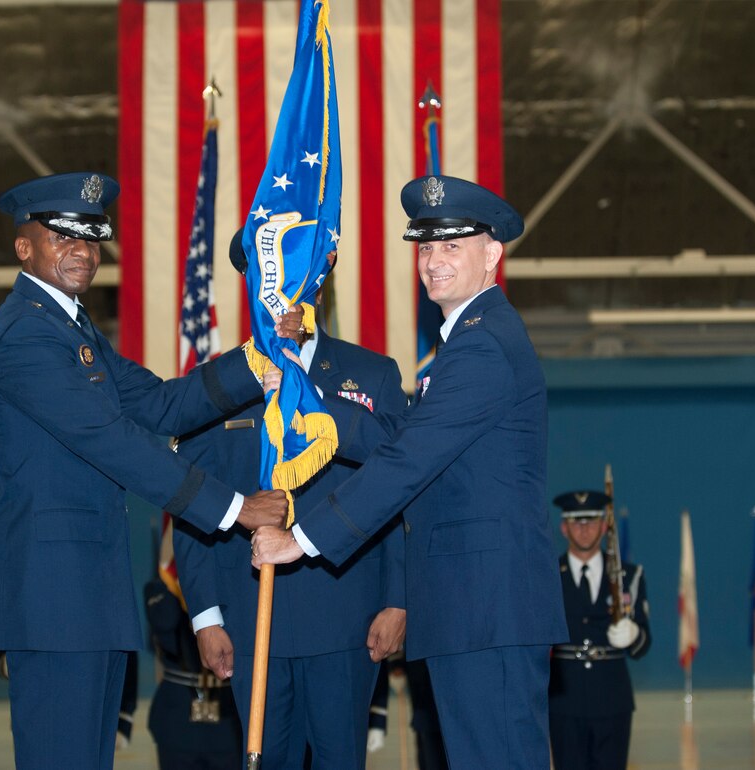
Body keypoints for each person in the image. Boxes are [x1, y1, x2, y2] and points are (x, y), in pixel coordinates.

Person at [0, 171, 292, 770]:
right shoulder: (25, 337)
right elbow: (112, 441)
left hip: (88, 597)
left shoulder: (73, 329)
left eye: (92, 239)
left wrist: (260, 360)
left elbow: (162, 404)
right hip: (53, 601)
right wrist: (235, 508)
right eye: (62, 236)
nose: (82, 251)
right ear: (24, 247)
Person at [252, 175, 568, 769]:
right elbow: (404, 437)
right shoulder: (466, 343)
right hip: (472, 606)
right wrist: (309, 399)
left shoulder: (483, 345)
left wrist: (302, 540)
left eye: (452, 246)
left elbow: (409, 459)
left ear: (492, 254)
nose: (434, 261)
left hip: (486, 607)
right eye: (426, 247)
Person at [172, 236, 408, 770]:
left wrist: (398, 598)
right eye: (269, 279)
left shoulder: (372, 375)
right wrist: (206, 617)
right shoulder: (219, 383)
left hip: (347, 613)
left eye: (296, 276)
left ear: (320, 282)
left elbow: (398, 492)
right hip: (249, 615)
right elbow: (190, 503)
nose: (283, 294)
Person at [548, 490, 651, 770]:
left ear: (605, 526)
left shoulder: (628, 575)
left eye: (591, 521)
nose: (584, 529)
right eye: (576, 522)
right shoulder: (547, 576)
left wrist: (633, 635)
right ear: (564, 527)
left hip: (612, 699)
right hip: (563, 700)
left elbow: (643, 644)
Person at [143, 574, 243, 770]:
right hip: (178, 715)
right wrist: (175, 581)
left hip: (227, 711)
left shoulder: (226, 583)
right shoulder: (159, 588)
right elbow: (165, 622)